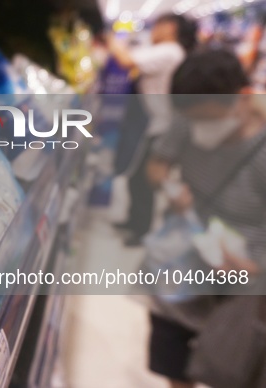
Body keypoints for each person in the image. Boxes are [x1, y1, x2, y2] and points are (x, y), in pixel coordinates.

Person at [146, 48, 266, 388]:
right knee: (171, 352)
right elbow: (156, 165)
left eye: (210, 119)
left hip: (242, 283)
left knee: (228, 360)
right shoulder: (188, 115)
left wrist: (254, 268)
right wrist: (169, 188)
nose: (201, 129)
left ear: (242, 99)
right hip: (183, 257)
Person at [108, 14, 197, 246]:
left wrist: (108, 35)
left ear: (170, 28)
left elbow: (126, 60)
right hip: (156, 123)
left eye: (158, 26)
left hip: (162, 126)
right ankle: (134, 221)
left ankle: (141, 229)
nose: (153, 31)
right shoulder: (168, 50)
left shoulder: (169, 50)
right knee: (136, 175)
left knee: (143, 178)